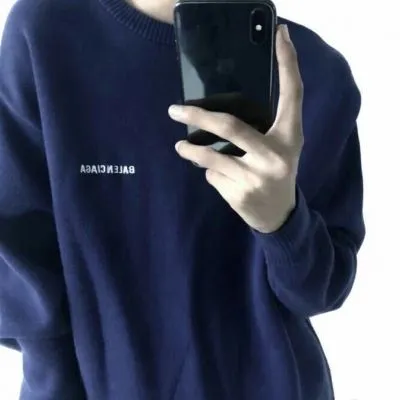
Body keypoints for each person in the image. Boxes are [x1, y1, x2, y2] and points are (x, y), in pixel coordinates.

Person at [0, 0, 364, 399]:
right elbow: (20, 273)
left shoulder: (318, 73)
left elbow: (320, 291)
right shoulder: (46, 32)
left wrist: (283, 223)